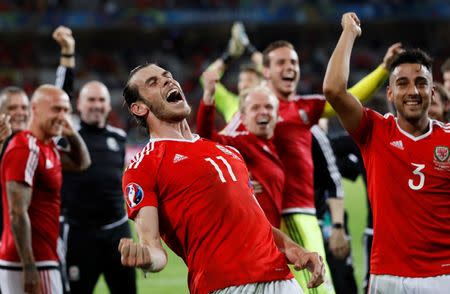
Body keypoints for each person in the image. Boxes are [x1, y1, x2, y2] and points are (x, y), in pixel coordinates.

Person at [119, 63, 325, 294]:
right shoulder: (143, 166)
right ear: (139, 108)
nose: (167, 81)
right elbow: (154, 248)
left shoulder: (228, 152)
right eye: (153, 83)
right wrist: (146, 258)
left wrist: (299, 252)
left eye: (167, 76)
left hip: (283, 281)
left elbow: (260, 226)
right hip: (225, 286)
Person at [323, 12, 450, 293]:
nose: (413, 91)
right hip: (387, 276)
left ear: (432, 89)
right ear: (390, 93)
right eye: (402, 83)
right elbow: (333, 90)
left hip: (442, 276)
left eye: (421, 83)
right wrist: (349, 33)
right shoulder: (374, 130)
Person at [0, 85, 90, 294]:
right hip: (32, 261)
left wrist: (70, 131)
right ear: (35, 109)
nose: (62, 116)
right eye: (56, 109)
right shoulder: (25, 148)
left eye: (66, 111)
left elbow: (83, 163)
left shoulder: (47, 147)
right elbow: (17, 212)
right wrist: (29, 266)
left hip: (42, 257)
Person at [61, 80, 136, 294]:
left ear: (108, 105)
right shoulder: (67, 139)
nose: (96, 105)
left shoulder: (119, 138)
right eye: (91, 100)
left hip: (117, 232)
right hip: (79, 235)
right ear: (80, 105)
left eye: (101, 100)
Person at [197, 73, 284, 227]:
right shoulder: (242, 142)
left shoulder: (279, 145)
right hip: (253, 235)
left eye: (268, 107)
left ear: (277, 115)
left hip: (274, 235)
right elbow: (206, 136)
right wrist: (208, 97)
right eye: (255, 108)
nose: (263, 111)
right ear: (243, 117)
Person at [310, 124, 357, 294]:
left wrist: (338, 227)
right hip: (299, 220)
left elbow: (338, 179)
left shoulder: (317, 135)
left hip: (326, 219)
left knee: (340, 277)